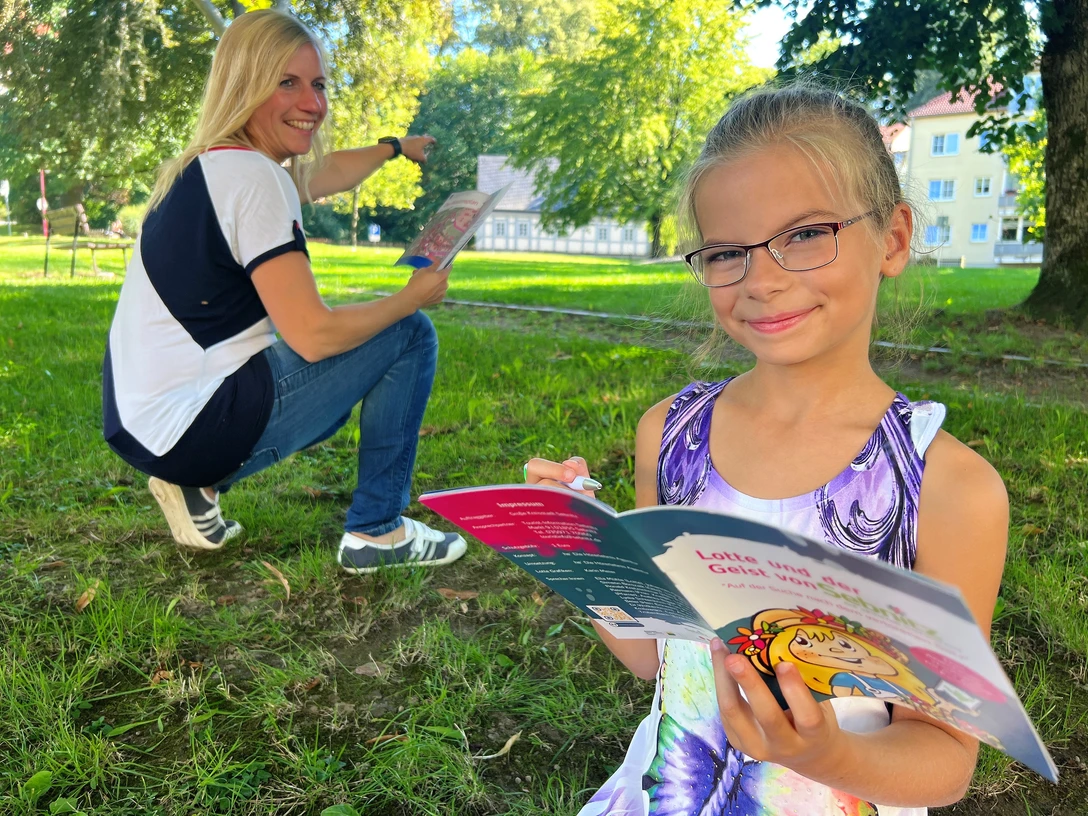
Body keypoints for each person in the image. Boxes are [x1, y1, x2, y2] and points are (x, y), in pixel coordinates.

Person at [525, 83, 1008, 815]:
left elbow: (944, 760)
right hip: (670, 793)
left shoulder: (948, 489)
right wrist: (581, 553)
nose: (763, 280)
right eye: (726, 252)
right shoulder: (670, 435)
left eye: (806, 234)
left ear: (894, 238)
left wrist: (827, 753)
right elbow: (661, 657)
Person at [102, 10, 466, 574]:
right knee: (408, 335)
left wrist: (395, 148)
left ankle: (198, 486)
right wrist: (410, 297)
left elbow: (330, 172)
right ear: (244, 84)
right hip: (187, 427)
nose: (313, 103)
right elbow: (314, 336)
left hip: (140, 424)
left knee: (343, 364)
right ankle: (380, 531)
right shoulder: (256, 178)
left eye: (318, 84)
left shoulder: (211, 167)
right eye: (287, 83)